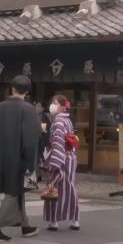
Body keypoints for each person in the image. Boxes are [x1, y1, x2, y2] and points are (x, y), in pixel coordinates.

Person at [0, 75, 42, 242]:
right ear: (27, 91)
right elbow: (31, 140)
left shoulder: (0, 108)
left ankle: (25, 226)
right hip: (21, 159)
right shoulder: (29, 109)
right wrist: (31, 164)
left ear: (12, 89)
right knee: (13, 192)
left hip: (4, 158)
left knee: (19, 192)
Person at [44, 95, 80, 232]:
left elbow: (58, 142)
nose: (52, 105)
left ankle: (54, 221)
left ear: (63, 106)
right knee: (70, 188)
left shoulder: (58, 121)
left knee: (53, 189)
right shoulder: (68, 120)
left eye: (55, 103)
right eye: (52, 102)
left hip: (61, 158)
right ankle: (75, 220)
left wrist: (55, 162)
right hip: (70, 158)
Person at [34, 102, 52, 182]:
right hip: (34, 140)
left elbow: (48, 130)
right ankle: (37, 176)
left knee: (44, 159)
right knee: (36, 159)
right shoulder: (32, 116)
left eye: (38, 106)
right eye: (36, 106)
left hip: (43, 140)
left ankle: (47, 176)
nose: (36, 108)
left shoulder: (46, 117)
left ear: (42, 108)